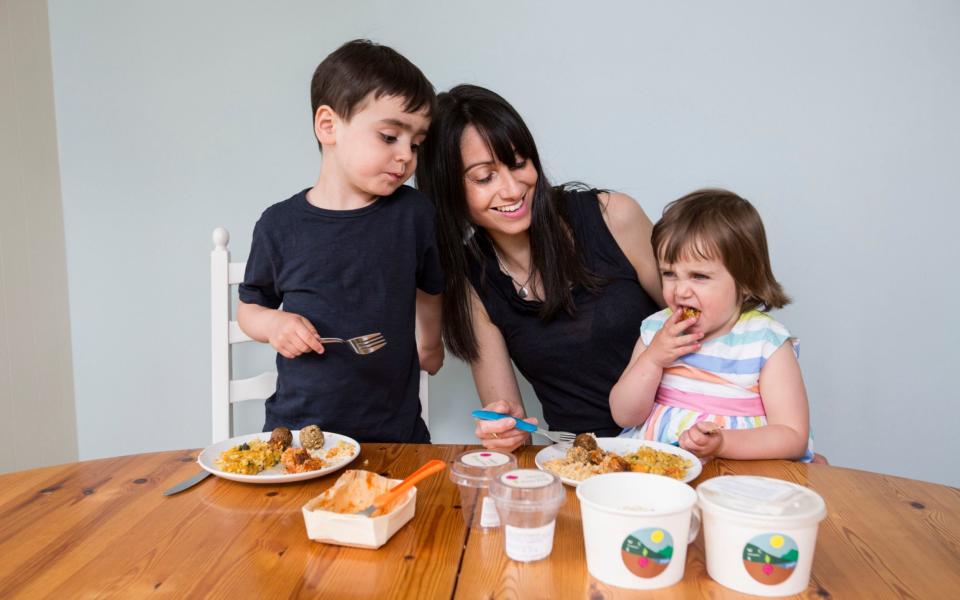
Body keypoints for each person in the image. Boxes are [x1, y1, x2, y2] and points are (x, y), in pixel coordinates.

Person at [415, 85, 663, 451]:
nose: (513, 189)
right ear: (449, 190)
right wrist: (506, 431)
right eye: (485, 177)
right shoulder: (471, 282)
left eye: (518, 163)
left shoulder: (614, 216)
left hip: (675, 441)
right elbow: (509, 418)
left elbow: (704, 318)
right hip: (582, 461)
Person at [236, 40, 444, 443]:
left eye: (415, 144)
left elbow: (431, 289)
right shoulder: (279, 225)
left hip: (395, 434)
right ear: (328, 126)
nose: (406, 156)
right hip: (301, 434)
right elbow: (249, 308)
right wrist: (274, 323)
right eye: (389, 136)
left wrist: (430, 345)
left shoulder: (413, 215)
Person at [611, 189, 814, 461]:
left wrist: (723, 443)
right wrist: (653, 359)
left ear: (744, 281)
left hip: (739, 481)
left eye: (699, 276)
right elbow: (624, 414)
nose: (680, 290)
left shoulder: (764, 342)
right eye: (669, 273)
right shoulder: (655, 332)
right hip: (659, 476)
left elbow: (792, 436)